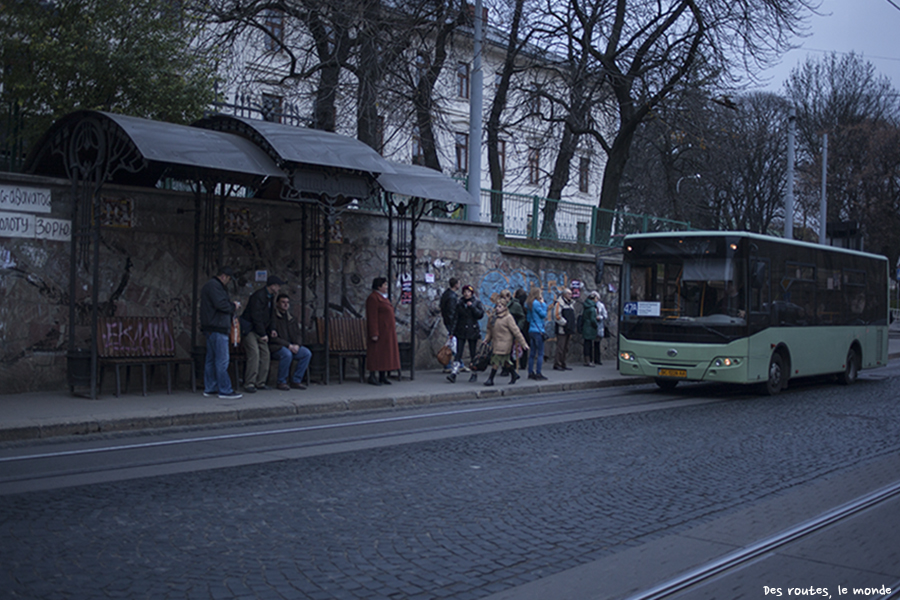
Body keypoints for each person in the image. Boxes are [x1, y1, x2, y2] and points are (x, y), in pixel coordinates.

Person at [199, 266, 242, 399]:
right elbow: (221, 305)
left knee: (211, 360)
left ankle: (210, 388)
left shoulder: (210, 286)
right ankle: (225, 389)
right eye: (229, 279)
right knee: (222, 360)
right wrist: (233, 306)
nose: (228, 282)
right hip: (217, 327)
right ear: (223, 276)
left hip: (211, 327)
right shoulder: (215, 287)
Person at [239, 275, 284, 393]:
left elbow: (271, 315)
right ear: (272, 286)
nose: (279, 288)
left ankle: (260, 382)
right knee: (254, 353)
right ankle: (249, 383)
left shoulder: (271, 296)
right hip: (250, 329)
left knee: (265, 354)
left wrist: (272, 329)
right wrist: (263, 333)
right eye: (278, 286)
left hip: (260, 330)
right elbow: (256, 316)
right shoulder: (258, 296)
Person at [482, 294, 529, 386]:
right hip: (496, 342)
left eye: (500, 306)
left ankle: (490, 379)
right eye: (497, 306)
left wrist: (523, 343)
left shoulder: (508, 318)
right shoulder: (493, 317)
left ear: (505, 308)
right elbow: (489, 330)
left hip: (505, 343)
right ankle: (514, 374)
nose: (498, 308)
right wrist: (486, 339)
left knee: (496, 359)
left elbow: (516, 331)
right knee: (506, 361)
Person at [268, 293, 311, 391]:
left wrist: (297, 345)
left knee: (306, 353)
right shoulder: (273, 318)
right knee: (287, 354)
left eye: (287, 302)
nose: (285, 304)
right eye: (283, 302)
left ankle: (296, 380)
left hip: (291, 346)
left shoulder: (292, 318)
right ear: (277, 304)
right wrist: (288, 345)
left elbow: (298, 334)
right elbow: (273, 338)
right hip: (277, 347)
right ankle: (281, 381)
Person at [366, 277, 400, 386]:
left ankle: (382, 375)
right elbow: (372, 317)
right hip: (380, 331)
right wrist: (374, 333)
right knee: (376, 353)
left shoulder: (383, 298)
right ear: (379, 286)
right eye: (385, 285)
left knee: (385, 354)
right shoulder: (373, 298)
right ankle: (372, 375)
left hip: (387, 331)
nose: (386, 287)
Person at [449, 284, 484, 383]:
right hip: (461, 330)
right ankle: (454, 373)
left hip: (472, 330)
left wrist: (472, 307)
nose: (466, 294)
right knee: (458, 352)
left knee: (473, 353)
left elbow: (480, 315)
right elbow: (455, 318)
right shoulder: (460, 303)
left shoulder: (476, 302)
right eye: (465, 292)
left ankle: (474, 373)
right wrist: (452, 332)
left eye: (468, 292)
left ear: (472, 293)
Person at [525, 287, 548, 380]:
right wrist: (544, 304)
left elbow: (528, 318)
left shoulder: (529, 304)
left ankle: (530, 372)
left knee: (532, 353)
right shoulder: (537, 304)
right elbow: (543, 314)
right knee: (540, 353)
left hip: (531, 329)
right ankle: (538, 373)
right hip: (538, 330)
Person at [552, 288, 576, 371]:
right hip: (562, 329)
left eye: (571, 294)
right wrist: (565, 323)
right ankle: (557, 363)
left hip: (569, 329)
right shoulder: (559, 303)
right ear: (564, 294)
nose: (571, 295)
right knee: (561, 347)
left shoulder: (570, 304)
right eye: (569, 294)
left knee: (566, 347)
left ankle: (563, 362)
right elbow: (556, 315)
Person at [439, 277, 460, 374]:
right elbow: (452, 312)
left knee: (452, 343)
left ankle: (459, 363)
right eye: (458, 283)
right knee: (452, 344)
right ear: (455, 284)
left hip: (447, 321)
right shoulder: (452, 297)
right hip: (452, 323)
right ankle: (449, 364)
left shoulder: (446, 294)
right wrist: (454, 325)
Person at [581, 291, 607, 366]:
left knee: (590, 343)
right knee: (590, 344)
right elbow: (592, 319)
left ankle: (591, 359)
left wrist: (601, 317)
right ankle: (590, 360)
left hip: (588, 326)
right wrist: (595, 324)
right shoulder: (592, 308)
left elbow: (605, 314)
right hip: (593, 327)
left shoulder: (587, 306)